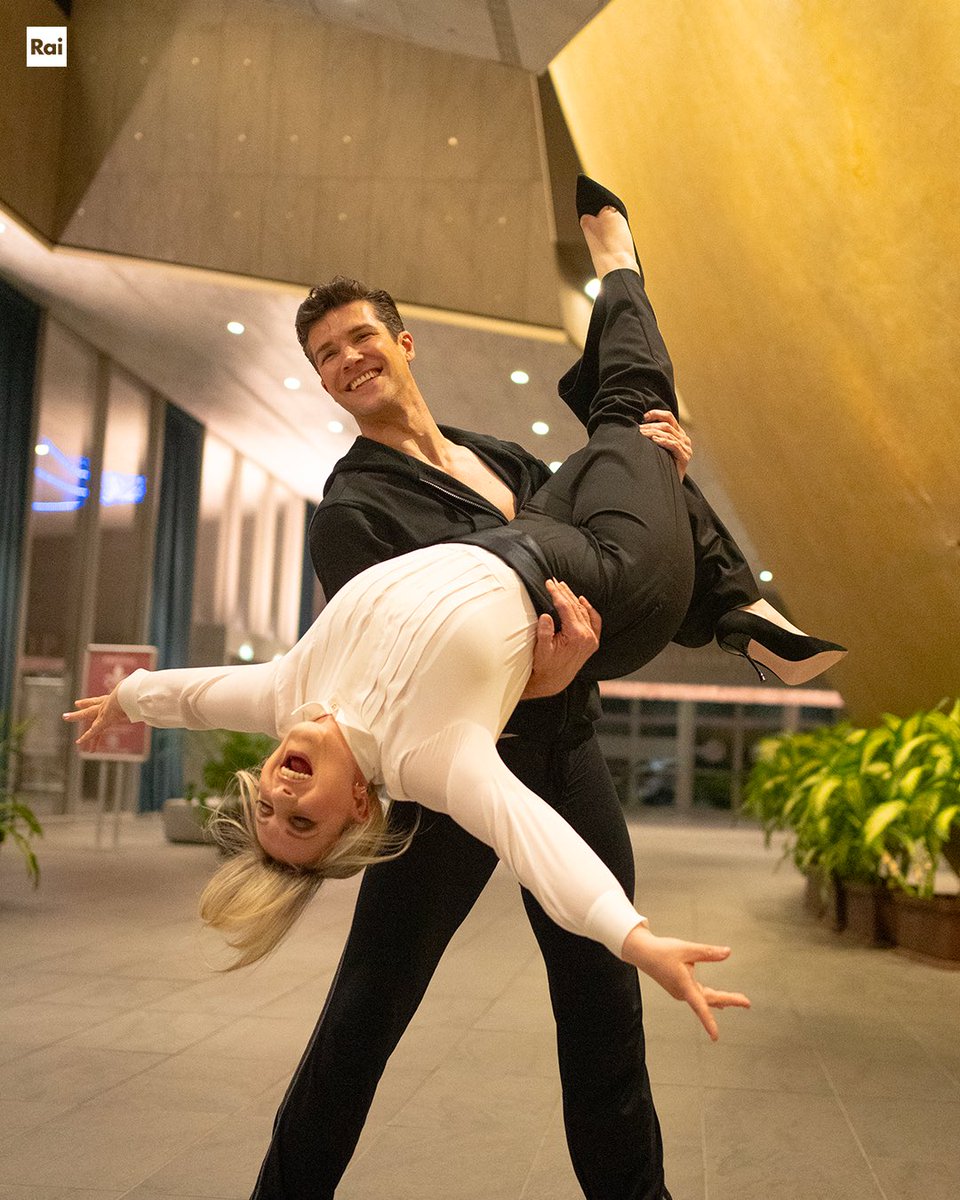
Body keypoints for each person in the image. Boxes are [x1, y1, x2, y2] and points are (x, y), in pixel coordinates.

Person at [66, 179, 832, 1200]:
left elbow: (577, 524)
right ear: (324, 384)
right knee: (364, 1019)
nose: (347, 362)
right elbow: (413, 679)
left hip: (557, 747)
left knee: (601, 1005)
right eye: (327, 357)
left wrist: (662, 474)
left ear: (402, 342)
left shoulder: (492, 458)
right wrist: (548, 659)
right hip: (433, 781)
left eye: (357, 339)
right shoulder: (353, 508)